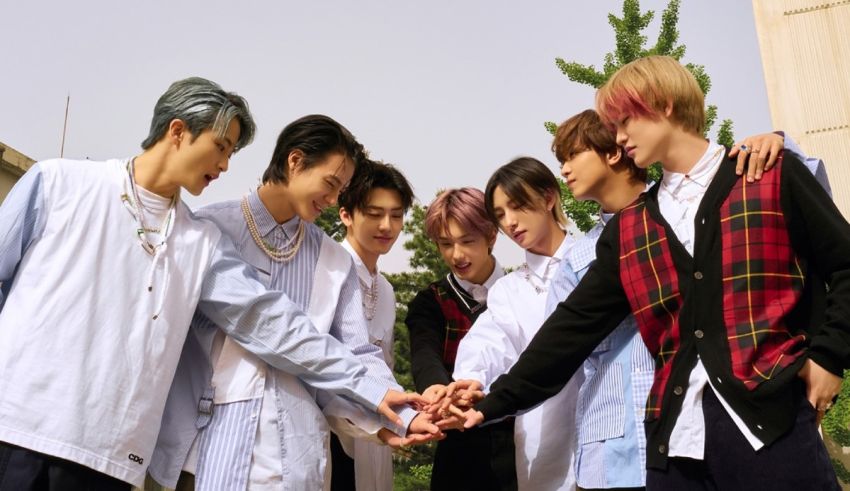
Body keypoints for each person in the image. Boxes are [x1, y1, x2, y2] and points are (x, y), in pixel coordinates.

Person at [0, 78, 414, 490]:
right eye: (221, 147)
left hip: (109, 455)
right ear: (178, 131)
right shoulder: (58, 183)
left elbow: (273, 322)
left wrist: (375, 392)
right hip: (16, 426)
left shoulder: (200, 240)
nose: (225, 165)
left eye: (231, 152)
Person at [465, 56, 847, 490]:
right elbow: (570, 330)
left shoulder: (768, 176)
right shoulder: (630, 228)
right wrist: (491, 403)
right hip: (675, 446)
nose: (620, 135)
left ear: (663, 104)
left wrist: (829, 355)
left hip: (771, 429)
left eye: (625, 120)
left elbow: (844, 265)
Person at [153, 115, 438, 490]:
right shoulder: (208, 229)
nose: (335, 198)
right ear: (295, 161)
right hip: (199, 454)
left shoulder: (335, 261)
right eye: (332, 183)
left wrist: (400, 411)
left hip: (292, 462)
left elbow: (359, 352)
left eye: (343, 189)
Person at [550, 109, 827, 490]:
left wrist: (778, 141)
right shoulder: (583, 257)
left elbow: (807, 255)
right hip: (632, 441)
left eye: (571, 155)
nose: (564, 169)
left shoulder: (719, 193)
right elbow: (560, 348)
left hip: (741, 412)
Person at [451, 158, 583, 491]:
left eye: (518, 206)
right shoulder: (509, 290)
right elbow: (488, 342)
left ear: (549, 198)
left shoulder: (595, 259)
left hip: (608, 426)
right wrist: (470, 379)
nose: (510, 222)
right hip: (544, 441)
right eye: (500, 214)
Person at [406, 188, 518, 491]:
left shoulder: (521, 292)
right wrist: (439, 392)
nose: (456, 255)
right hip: (458, 446)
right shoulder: (430, 302)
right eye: (445, 244)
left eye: (467, 242)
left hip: (519, 444)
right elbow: (424, 353)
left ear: (492, 236)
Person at [329, 159, 416, 490]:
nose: (387, 225)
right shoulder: (327, 274)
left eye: (396, 215)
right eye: (374, 213)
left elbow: (385, 365)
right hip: (330, 433)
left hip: (376, 435)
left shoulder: (386, 289)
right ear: (346, 214)